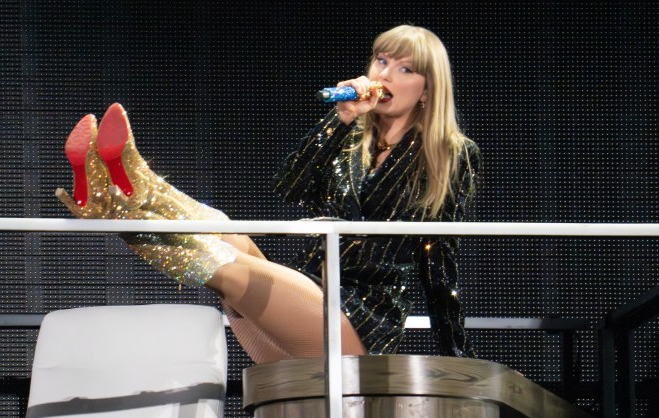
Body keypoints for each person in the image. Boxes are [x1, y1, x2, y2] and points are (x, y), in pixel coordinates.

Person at [56, 25, 481, 364]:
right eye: (382, 60)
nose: (384, 75)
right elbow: (289, 186)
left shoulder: (449, 153)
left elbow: (439, 260)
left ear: (428, 90)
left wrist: (458, 359)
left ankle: (125, 192)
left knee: (223, 261)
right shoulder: (350, 140)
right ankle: (124, 191)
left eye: (405, 69)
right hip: (308, 292)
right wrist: (340, 120)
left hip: (361, 317)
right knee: (224, 231)